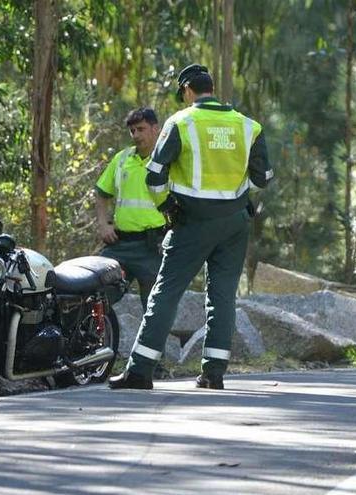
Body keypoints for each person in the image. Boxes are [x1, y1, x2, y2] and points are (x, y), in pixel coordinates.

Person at [109, 64, 272, 390]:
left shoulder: (180, 122)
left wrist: (168, 209)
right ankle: (213, 373)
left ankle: (140, 371)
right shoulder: (248, 126)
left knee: (166, 291)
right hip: (235, 224)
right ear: (212, 87)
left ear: (187, 91)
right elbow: (263, 178)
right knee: (223, 296)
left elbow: (154, 174)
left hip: (193, 222)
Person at [95, 108, 167, 310]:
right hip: (120, 244)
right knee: (95, 292)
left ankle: (152, 343)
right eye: (132, 131)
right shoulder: (122, 159)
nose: (135, 135)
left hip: (153, 247)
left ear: (155, 129)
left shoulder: (169, 161)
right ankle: (98, 339)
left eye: (141, 129)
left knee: (155, 309)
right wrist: (103, 224)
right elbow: (101, 193)